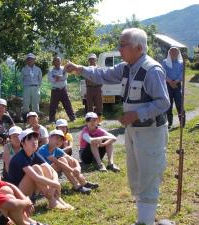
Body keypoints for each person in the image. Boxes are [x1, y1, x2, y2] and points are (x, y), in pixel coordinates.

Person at [65, 28, 170, 225]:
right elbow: (102, 74)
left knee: (148, 176)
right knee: (136, 175)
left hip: (151, 133)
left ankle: (145, 222)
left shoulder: (152, 70)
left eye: (123, 45)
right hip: (133, 131)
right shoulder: (126, 67)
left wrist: (136, 114)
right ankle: (144, 220)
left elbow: (163, 103)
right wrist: (79, 68)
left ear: (138, 48)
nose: (119, 49)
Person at [8, 129, 73, 210]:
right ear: (22, 143)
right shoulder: (20, 157)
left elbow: (52, 171)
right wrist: (55, 184)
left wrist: (55, 183)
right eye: (30, 139)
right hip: (18, 194)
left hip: (30, 191)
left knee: (45, 167)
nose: (34, 141)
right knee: (36, 168)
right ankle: (52, 200)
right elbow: (36, 178)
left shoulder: (35, 154)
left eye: (35, 139)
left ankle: (56, 198)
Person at [38, 129, 98, 194]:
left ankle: (84, 183)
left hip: (49, 172)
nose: (59, 141)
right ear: (49, 138)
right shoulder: (43, 149)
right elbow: (57, 162)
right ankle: (77, 186)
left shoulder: (56, 149)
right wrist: (72, 170)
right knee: (62, 160)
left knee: (66, 159)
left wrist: (78, 168)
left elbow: (72, 159)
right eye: (57, 138)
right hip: (41, 176)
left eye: (61, 140)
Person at [162, 46, 184, 129]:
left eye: (175, 52)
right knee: (168, 104)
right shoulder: (165, 62)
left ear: (178, 53)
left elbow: (182, 73)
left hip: (177, 85)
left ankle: (182, 123)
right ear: (169, 53)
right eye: (172, 52)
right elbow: (163, 72)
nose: (173, 53)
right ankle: (169, 123)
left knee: (179, 103)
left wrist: (176, 81)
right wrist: (170, 82)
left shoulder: (181, 63)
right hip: (168, 84)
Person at [48, 56, 75, 122]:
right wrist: (58, 78)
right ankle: (51, 120)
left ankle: (72, 118)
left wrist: (57, 77)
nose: (58, 62)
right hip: (55, 90)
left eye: (59, 60)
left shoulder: (64, 69)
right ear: (53, 62)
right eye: (56, 61)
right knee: (53, 106)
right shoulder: (51, 70)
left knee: (67, 104)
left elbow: (65, 77)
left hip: (63, 90)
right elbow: (50, 79)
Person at [21, 53, 42, 121]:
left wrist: (38, 86)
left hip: (36, 87)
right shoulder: (24, 69)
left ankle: (36, 120)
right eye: (28, 59)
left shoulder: (38, 69)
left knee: (35, 103)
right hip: (27, 87)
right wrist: (24, 85)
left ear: (34, 60)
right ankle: (25, 120)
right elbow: (21, 79)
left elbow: (40, 79)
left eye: (31, 59)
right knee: (26, 103)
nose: (30, 61)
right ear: (27, 61)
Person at [85, 54, 103, 122]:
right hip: (89, 88)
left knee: (99, 105)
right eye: (90, 59)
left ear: (96, 60)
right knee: (89, 106)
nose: (92, 60)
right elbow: (87, 79)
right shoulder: (86, 68)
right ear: (88, 60)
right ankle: (90, 120)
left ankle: (99, 120)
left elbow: (101, 78)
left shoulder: (99, 68)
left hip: (98, 88)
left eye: (93, 59)